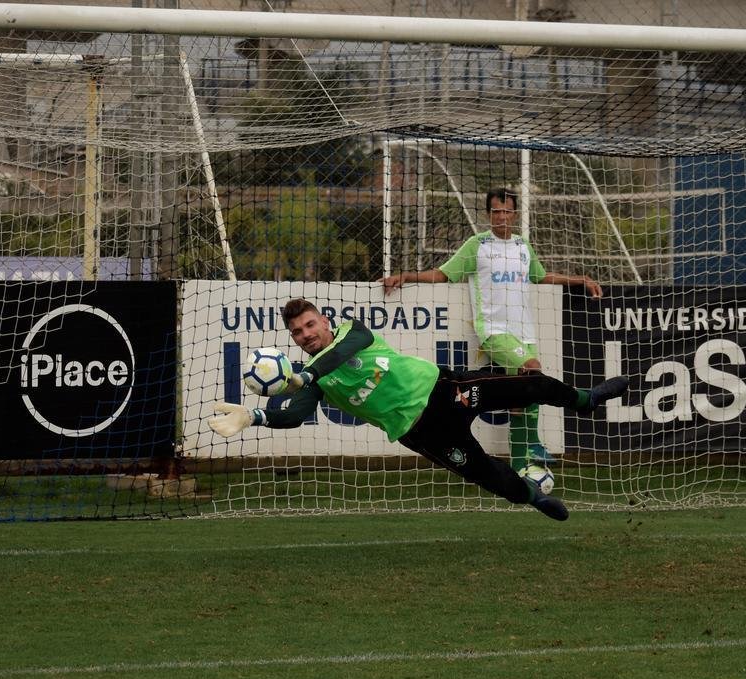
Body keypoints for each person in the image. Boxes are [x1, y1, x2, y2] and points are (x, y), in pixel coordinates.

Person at [208, 298, 628, 521]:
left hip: (445, 391)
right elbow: (294, 415)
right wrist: (254, 416)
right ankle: (534, 496)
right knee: (489, 475)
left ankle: (586, 401)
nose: (304, 335)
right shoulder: (314, 379)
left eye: (310, 326)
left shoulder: (352, 333)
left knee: (528, 384)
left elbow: (337, 357)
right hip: (422, 431)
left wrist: (302, 378)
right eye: (297, 333)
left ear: (325, 322)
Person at [380, 187, 603, 470]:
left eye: (507, 211)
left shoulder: (522, 246)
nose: (501, 217)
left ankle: (522, 465)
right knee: (533, 369)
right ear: (488, 214)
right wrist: (405, 276)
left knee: (526, 391)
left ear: (515, 214)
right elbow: (443, 274)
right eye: (496, 211)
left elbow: (541, 276)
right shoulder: (478, 245)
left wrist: (579, 279)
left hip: (524, 331)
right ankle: (532, 444)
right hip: (493, 330)